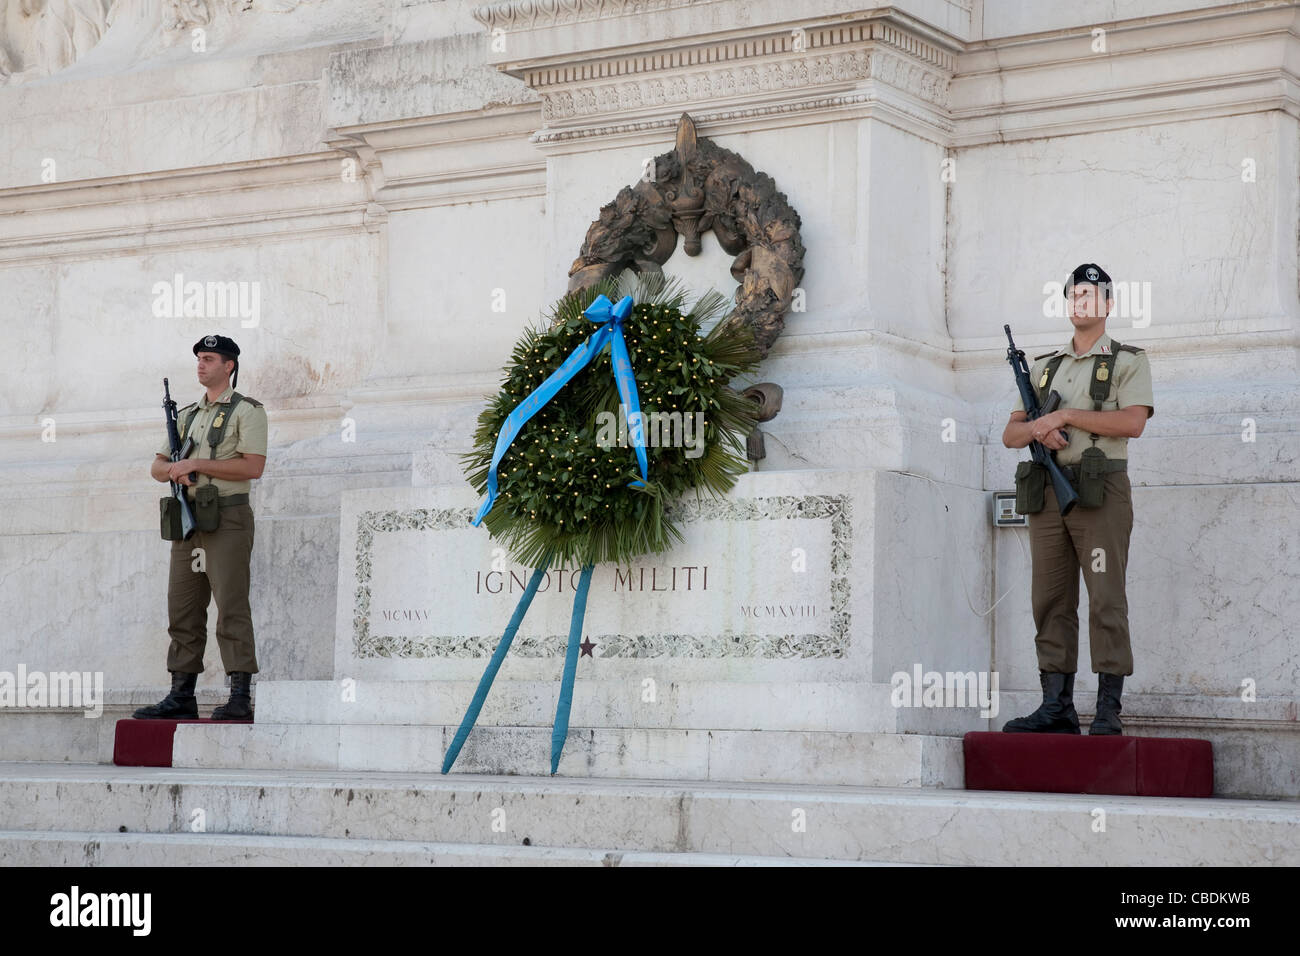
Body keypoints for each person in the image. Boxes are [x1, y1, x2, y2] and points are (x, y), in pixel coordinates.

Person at [1001, 264, 1154, 735]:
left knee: (1106, 597)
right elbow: (1012, 433)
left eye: (1090, 295)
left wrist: (1066, 414)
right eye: (1073, 295)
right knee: (1049, 598)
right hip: (1047, 491)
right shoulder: (1045, 368)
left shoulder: (1128, 360)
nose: (1080, 302)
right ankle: (1057, 706)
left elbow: (1132, 423)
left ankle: (1108, 710)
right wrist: (1040, 429)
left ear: (1108, 305)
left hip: (1099, 488)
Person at [135, 334, 267, 721]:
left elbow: (252, 467)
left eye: (209, 359)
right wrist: (174, 469)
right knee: (184, 608)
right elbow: (158, 466)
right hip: (187, 521)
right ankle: (181, 694)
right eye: (199, 358)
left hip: (226, 518)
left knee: (231, 607)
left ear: (229, 366)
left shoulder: (248, 411)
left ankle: (240, 696)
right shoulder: (188, 415)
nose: (201, 364)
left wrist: (196, 466)